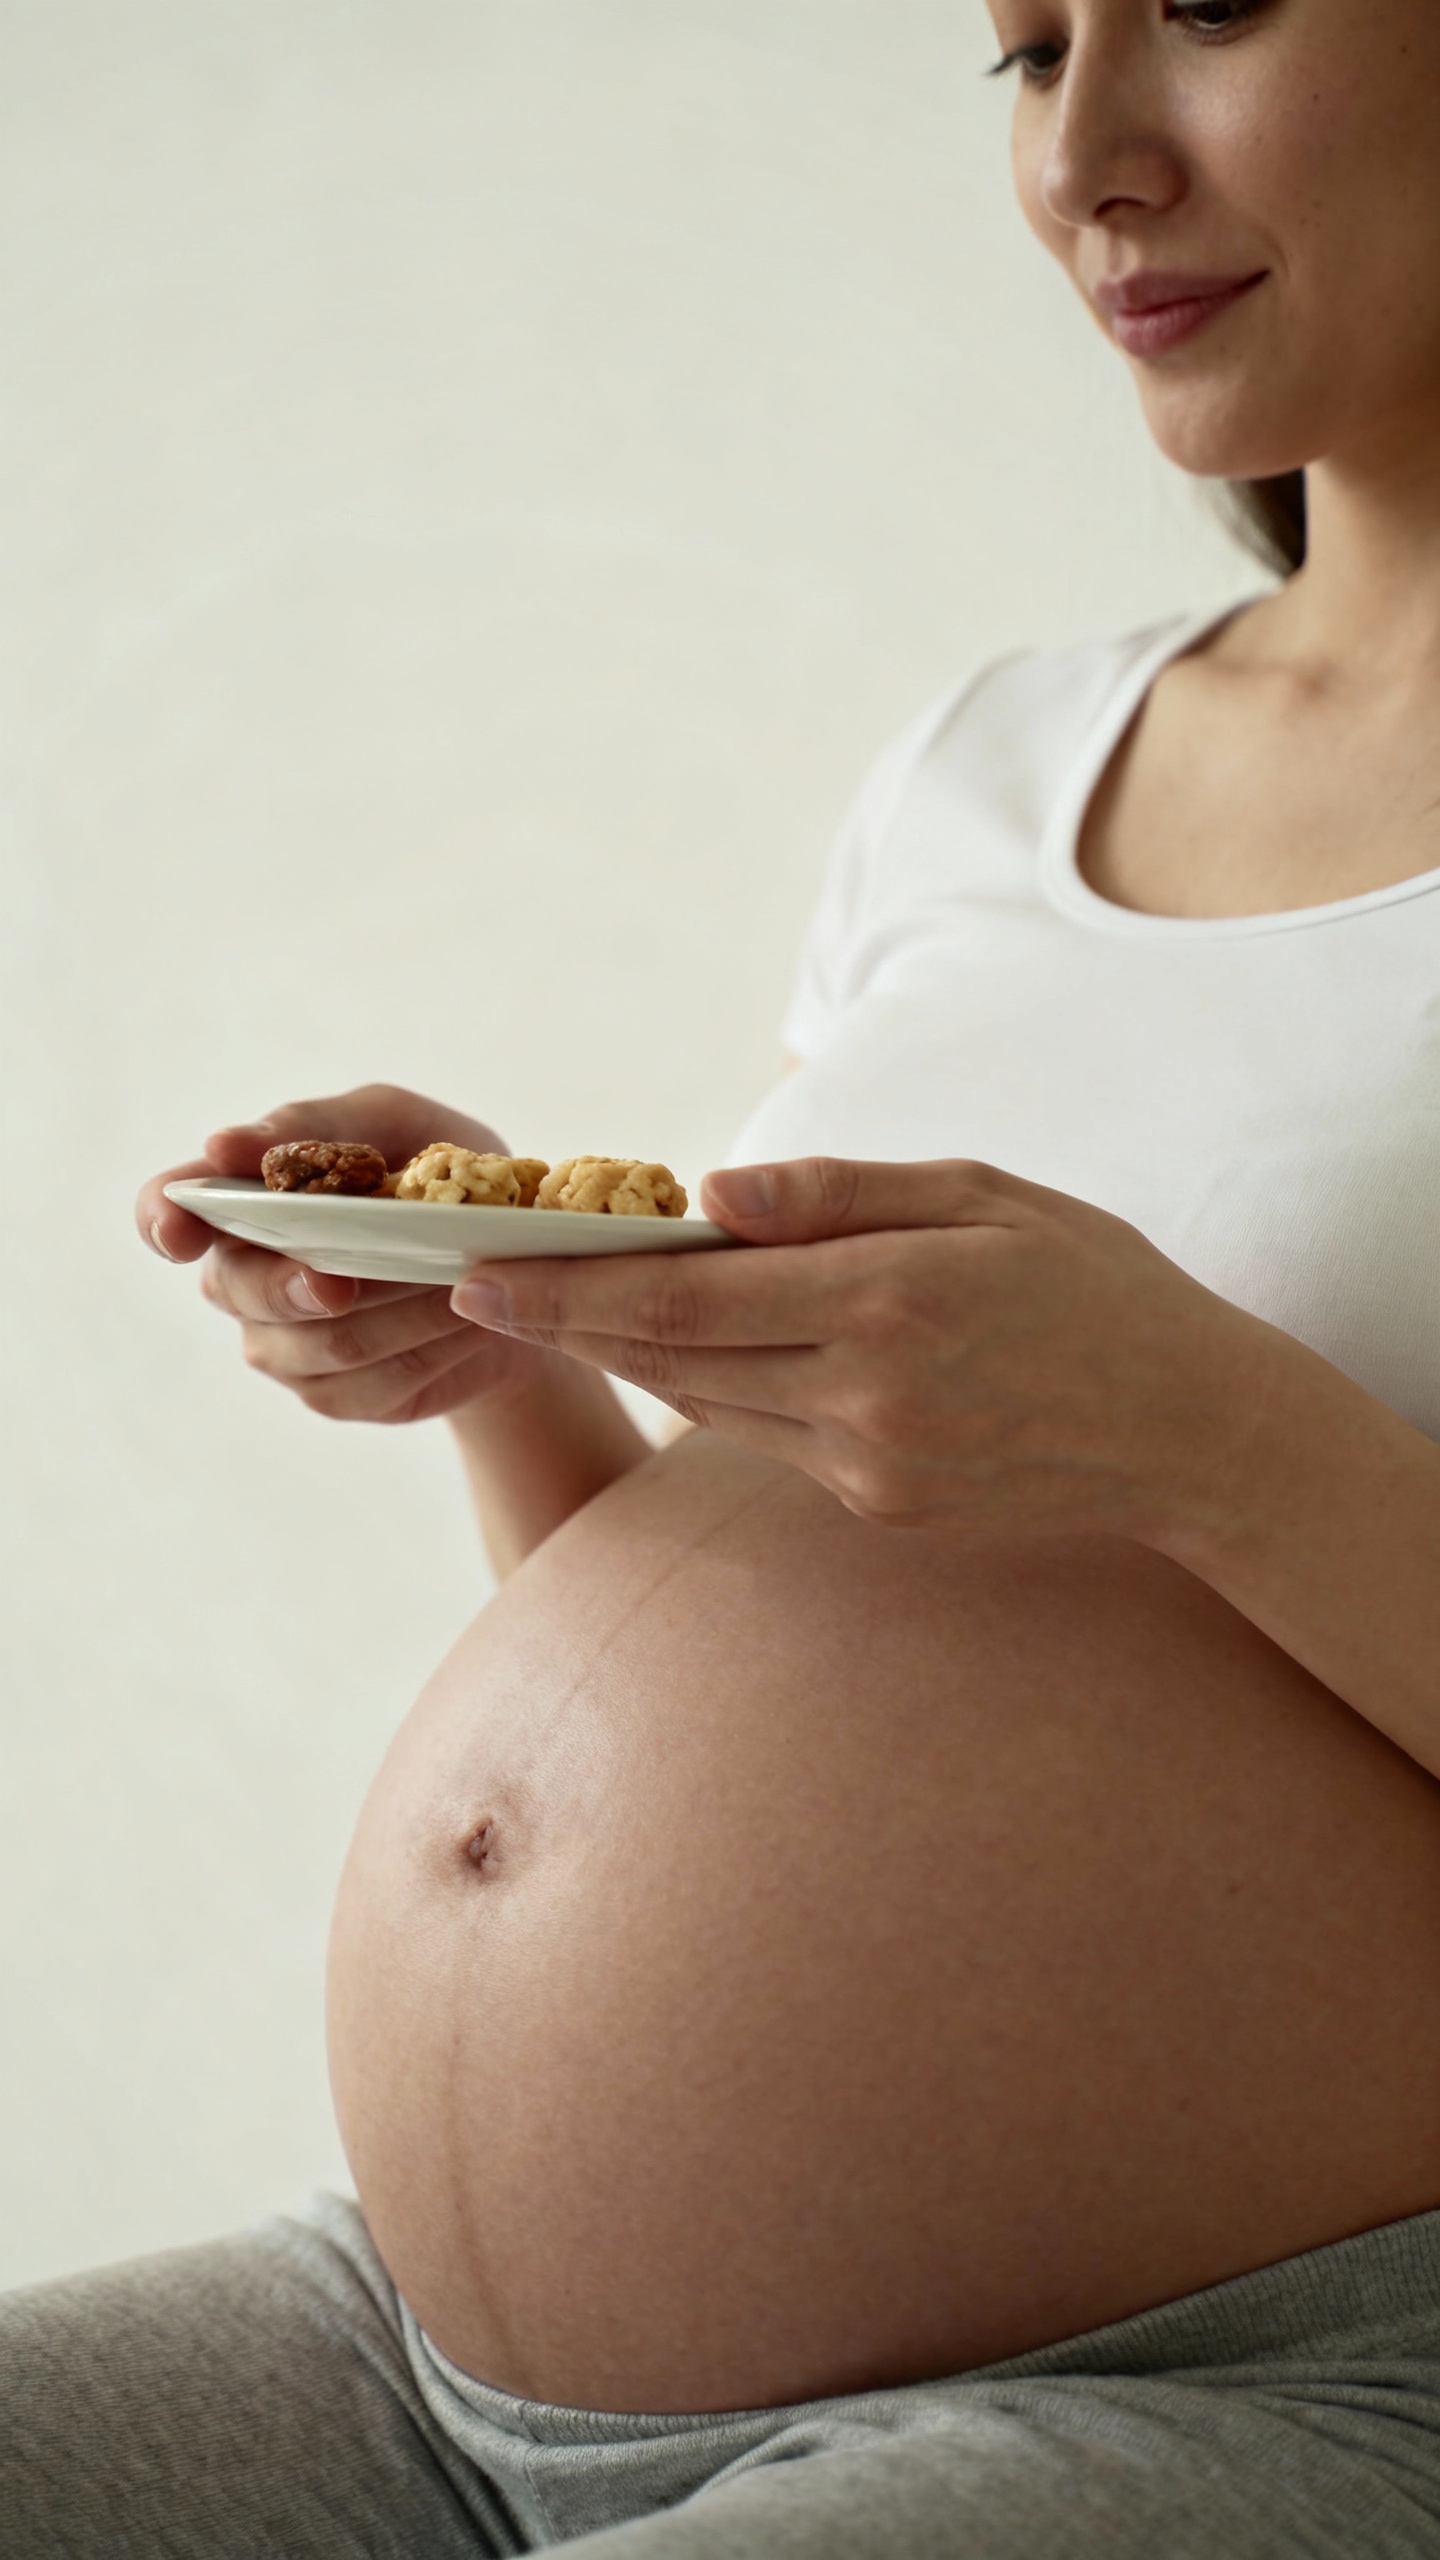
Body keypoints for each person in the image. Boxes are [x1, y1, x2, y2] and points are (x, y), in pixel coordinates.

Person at [9, 0, 1440, 2551]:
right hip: (411, 2352)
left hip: (1230, 2386)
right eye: (1016, 50)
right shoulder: (994, 769)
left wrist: (1204, 1431)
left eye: (1207, 5)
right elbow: (786, 1663)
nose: (1085, 158)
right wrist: (518, 1345)